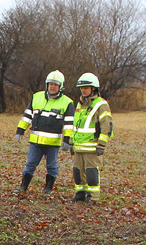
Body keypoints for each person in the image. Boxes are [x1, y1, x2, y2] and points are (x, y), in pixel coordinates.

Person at [14, 70, 74, 198]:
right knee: (30, 164)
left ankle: (48, 189)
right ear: (47, 84)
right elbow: (27, 116)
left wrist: (67, 139)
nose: (52, 86)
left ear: (60, 86)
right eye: (50, 84)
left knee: (51, 166)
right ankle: (22, 188)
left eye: (55, 84)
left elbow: (69, 123)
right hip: (36, 141)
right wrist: (20, 130)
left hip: (53, 143)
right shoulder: (37, 97)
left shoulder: (67, 102)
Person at [71, 72, 113, 203]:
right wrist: (72, 142)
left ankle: (93, 197)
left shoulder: (101, 104)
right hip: (78, 147)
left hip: (92, 147)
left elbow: (106, 126)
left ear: (93, 88)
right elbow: (76, 125)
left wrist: (101, 144)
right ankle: (80, 194)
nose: (83, 90)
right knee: (77, 172)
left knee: (91, 173)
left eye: (86, 88)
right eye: (82, 88)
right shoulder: (80, 104)